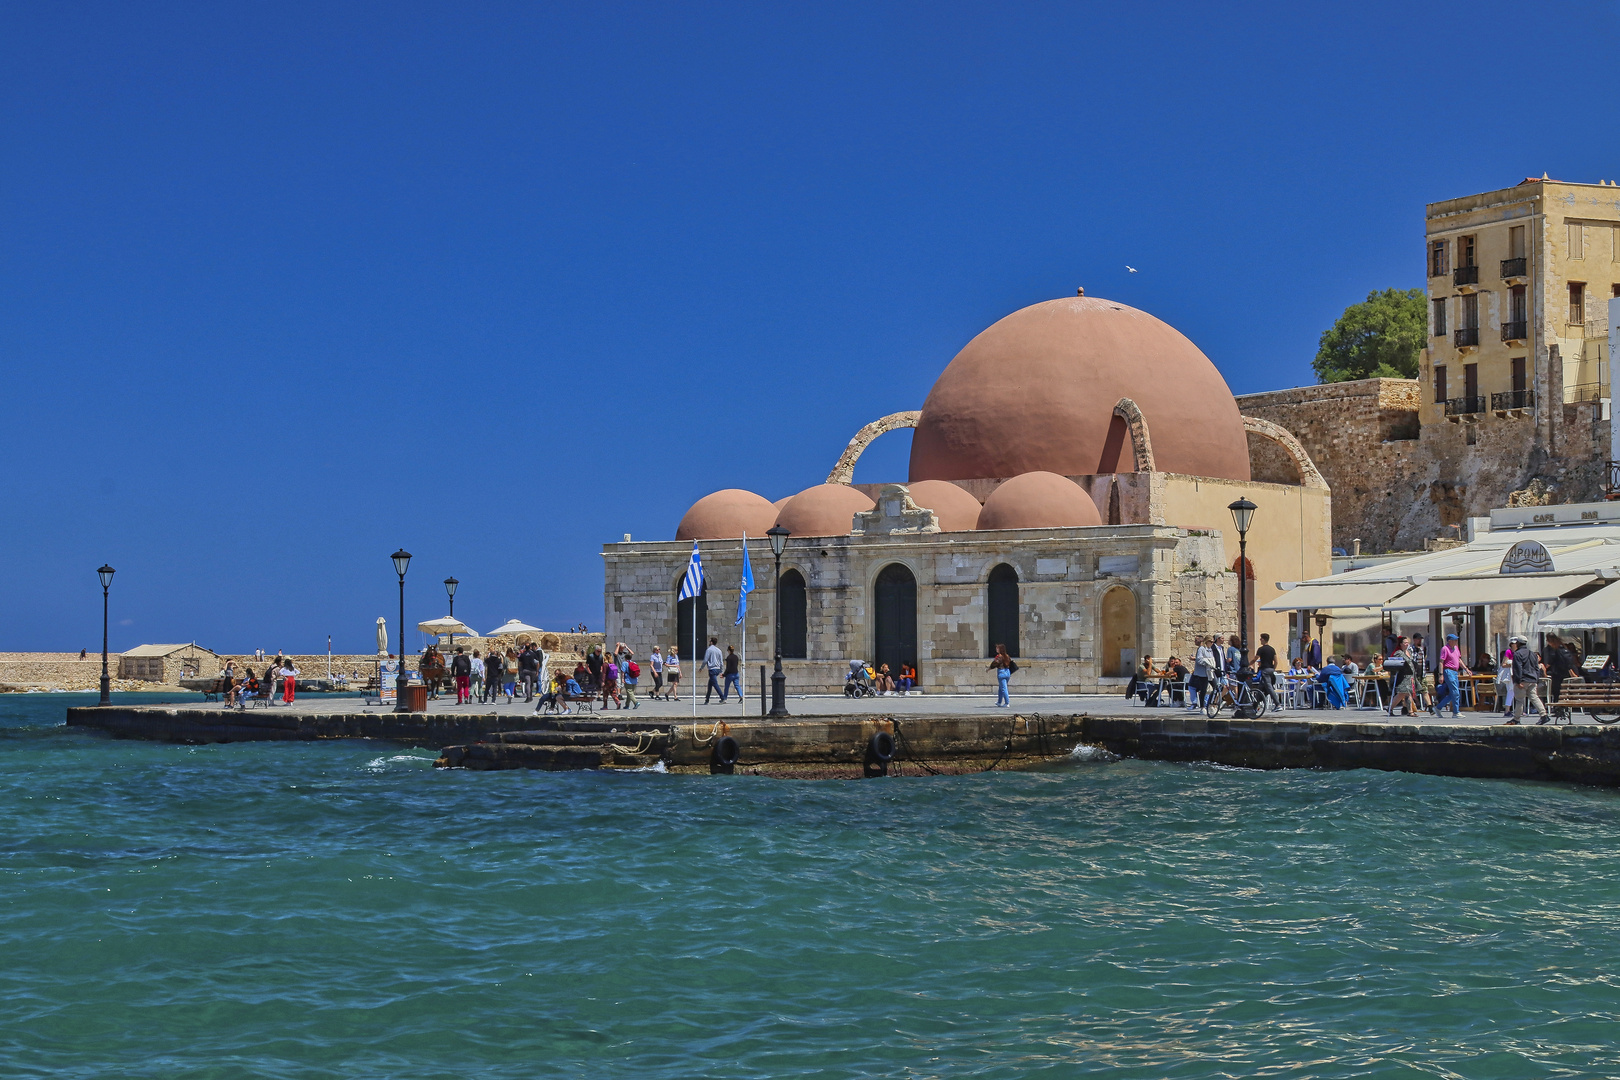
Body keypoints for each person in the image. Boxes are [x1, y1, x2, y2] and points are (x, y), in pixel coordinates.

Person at [1508, 635, 1547, 725]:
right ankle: (1544, 715)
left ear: (1518, 643)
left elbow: (1518, 668)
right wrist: (1536, 679)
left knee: (1519, 700)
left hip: (1523, 680)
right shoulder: (1532, 653)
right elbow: (1536, 668)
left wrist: (1518, 681)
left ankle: (1516, 719)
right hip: (1532, 680)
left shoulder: (1517, 654)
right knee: (1534, 697)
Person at [1432, 633, 1467, 718]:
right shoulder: (1445, 649)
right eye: (1454, 640)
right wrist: (1441, 675)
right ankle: (1456, 712)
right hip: (1448, 671)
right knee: (1456, 692)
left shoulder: (1456, 648)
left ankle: (1438, 707)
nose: (1456, 641)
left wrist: (1466, 669)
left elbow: (1459, 660)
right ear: (1449, 641)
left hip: (1455, 672)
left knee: (1453, 693)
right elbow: (1441, 662)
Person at [1385, 637, 1415, 716]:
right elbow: (1395, 663)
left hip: (1410, 675)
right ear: (1401, 644)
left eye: (1407, 642)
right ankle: (1409, 711)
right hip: (1402, 676)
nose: (1406, 644)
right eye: (1405, 642)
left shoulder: (1409, 652)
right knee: (1403, 693)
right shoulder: (1398, 653)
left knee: (1405, 693)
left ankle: (1408, 711)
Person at [1255, 633, 1282, 712]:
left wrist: (1249, 664)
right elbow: (1276, 661)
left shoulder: (1261, 649)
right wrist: (1273, 668)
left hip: (1265, 670)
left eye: (1260, 638)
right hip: (1270, 670)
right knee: (1260, 688)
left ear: (1263, 639)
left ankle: (1278, 704)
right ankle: (1254, 706)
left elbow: (1255, 658)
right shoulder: (1272, 649)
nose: (1260, 640)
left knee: (1269, 688)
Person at [1545, 634, 1573, 706]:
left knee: (1556, 691)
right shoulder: (1564, 648)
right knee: (1562, 691)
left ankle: (1557, 707)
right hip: (1565, 673)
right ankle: (1563, 707)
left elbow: (1550, 662)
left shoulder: (1555, 650)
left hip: (1557, 673)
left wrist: (1545, 667)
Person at [1190, 636, 1215, 711]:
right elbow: (1199, 659)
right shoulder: (1201, 649)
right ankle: (1202, 707)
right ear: (1207, 641)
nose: (1212, 643)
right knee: (1203, 689)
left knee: (1215, 687)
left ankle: (1211, 704)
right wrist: (1207, 662)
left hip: (1210, 671)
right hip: (1202, 672)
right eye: (1211, 641)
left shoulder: (1210, 649)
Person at [703, 637, 725, 704]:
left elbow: (705, 660)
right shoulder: (719, 650)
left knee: (715, 684)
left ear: (711, 642)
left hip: (712, 669)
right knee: (710, 684)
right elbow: (721, 662)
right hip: (717, 669)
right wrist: (721, 671)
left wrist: (701, 667)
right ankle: (707, 699)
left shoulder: (709, 650)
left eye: (709, 641)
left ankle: (722, 697)